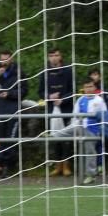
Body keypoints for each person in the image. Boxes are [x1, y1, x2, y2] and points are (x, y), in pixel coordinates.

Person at [50, 78, 106, 185]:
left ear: (95, 88)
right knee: (73, 127)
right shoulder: (80, 100)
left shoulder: (99, 100)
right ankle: (52, 135)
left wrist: (100, 130)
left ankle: (90, 175)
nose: (88, 89)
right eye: (86, 87)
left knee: (90, 151)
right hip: (80, 126)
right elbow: (75, 116)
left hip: (93, 129)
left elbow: (105, 116)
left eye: (90, 87)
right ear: (83, 89)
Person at [36, 47, 75, 177]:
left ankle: (66, 165)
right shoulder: (44, 72)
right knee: (54, 137)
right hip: (51, 109)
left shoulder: (68, 71)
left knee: (67, 137)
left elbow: (73, 90)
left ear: (60, 56)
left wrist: (62, 100)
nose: (53, 57)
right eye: (51, 55)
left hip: (66, 108)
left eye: (56, 55)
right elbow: (40, 92)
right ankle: (58, 165)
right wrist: (49, 97)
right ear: (48, 57)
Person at [0, 49, 28, 179]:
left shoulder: (19, 72)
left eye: (6, 58)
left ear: (11, 59)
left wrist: (10, 94)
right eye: (2, 59)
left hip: (13, 110)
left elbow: (24, 90)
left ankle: (8, 166)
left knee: (11, 139)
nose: (4, 61)